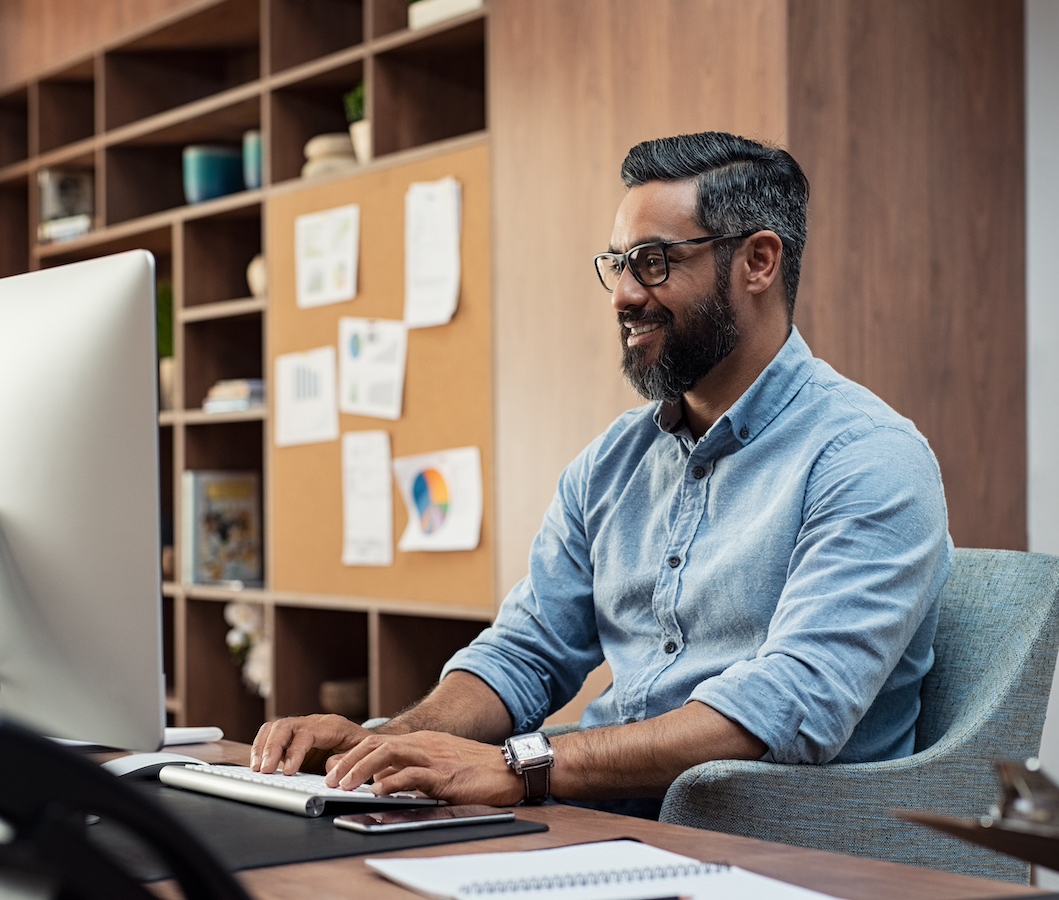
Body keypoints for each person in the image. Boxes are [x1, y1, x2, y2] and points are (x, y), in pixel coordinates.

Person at [251, 131, 952, 818]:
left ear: (759, 262)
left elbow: (788, 706)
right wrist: (388, 745)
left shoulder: (869, 458)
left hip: (773, 852)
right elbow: (526, 652)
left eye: (651, 262)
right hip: (599, 820)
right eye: (616, 264)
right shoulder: (612, 462)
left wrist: (522, 767)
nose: (621, 294)